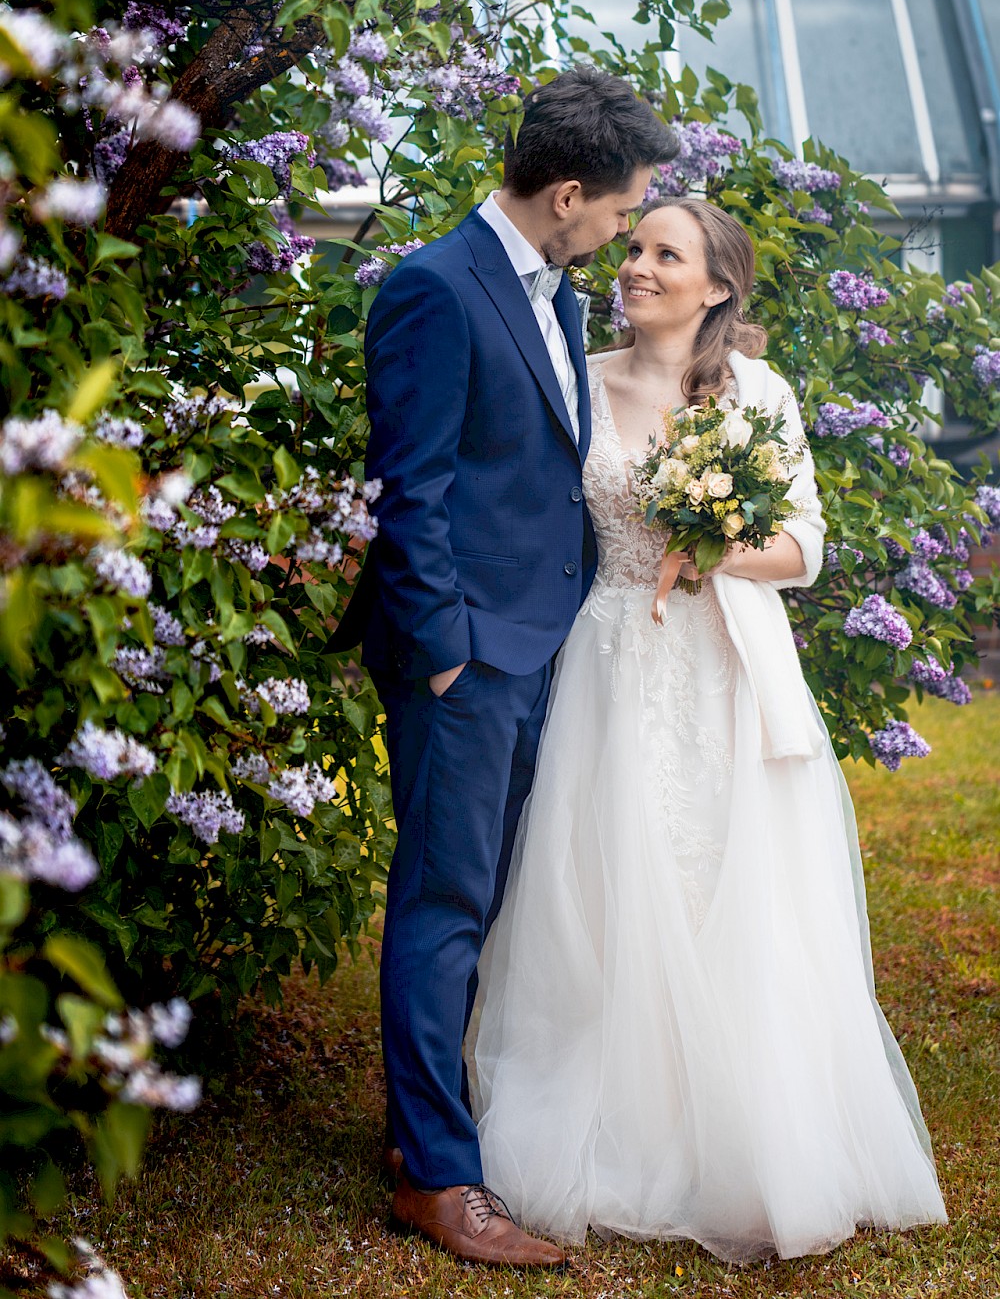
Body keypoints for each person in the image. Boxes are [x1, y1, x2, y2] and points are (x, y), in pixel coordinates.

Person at [471, 196, 948, 1262]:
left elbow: (806, 547)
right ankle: (615, 1122)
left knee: (731, 889)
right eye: (632, 249)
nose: (634, 267)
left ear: (715, 286)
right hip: (607, 658)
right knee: (599, 889)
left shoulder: (756, 392)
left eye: (661, 255)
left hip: (726, 666)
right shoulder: (578, 383)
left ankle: (747, 1130)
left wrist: (716, 546)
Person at [331, 68, 679, 1266]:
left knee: (494, 904)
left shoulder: (557, 292)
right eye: (623, 209)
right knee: (442, 904)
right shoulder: (434, 286)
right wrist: (443, 662)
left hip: (545, 645)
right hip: (468, 658)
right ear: (569, 192)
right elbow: (409, 492)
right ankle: (435, 1179)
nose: (627, 232)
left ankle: (426, 1128)